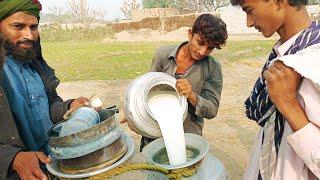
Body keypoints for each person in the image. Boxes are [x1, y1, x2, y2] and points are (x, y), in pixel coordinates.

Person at [0, 1, 90, 179]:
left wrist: (69, 107)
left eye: (33, 27)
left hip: (52, 165)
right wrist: (13, 158)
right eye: (18, 26)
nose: (29, 35)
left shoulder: (35, 65)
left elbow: (47, 108)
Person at [230, 0, 320, 179]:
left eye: (249, 11)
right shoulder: (285, 56)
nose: (248, 23)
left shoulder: (313, 63)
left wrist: (288, 105)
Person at [122, 14, 228, 151]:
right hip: (154, 134)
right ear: (190, 34)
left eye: (210, 48)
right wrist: (134, 116)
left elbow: (212, 109)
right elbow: (146, 89)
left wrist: (191, 95)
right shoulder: (162, 55)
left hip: (186, 139)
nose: (203, 51)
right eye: (200, 43)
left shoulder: (213, 67)